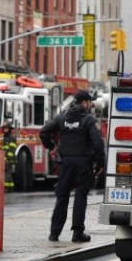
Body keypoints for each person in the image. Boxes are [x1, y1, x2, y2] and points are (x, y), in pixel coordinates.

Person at [40, 90, 105, 243]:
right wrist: (100, 163)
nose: (90, 104)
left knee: (62, 198)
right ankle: (77, 233)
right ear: (85, 103)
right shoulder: (89, 120)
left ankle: (54, 233)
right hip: (83, 164)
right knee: (80, 198)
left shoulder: (62, 118)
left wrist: (52, 147)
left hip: (66, 163)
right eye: (90, 101)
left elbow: (43, 132)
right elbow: (98, 143)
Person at [0, 122, 17, 192]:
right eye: (4, 128)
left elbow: (11, 149)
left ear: (9, 129)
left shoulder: (11, 138)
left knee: (7, 173)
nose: (5, 130)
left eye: (6, 128)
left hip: (9, 159)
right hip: (4, 158)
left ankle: (8, 187)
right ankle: (9, 187)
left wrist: (8, 158)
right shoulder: (5, 137)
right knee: (6, 173)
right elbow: (2, 148)